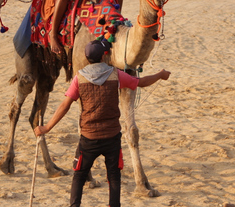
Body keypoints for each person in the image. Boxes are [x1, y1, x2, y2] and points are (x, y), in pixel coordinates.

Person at [34, 39, 171, 207]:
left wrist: (46, 127)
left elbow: (65, 105)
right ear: (104, 56)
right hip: (112, 138)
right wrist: (160, 75)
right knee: (114, 176)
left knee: (79, 175)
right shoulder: (115, 74)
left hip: (88, 139)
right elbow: (140, 82)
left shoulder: (79, 78)